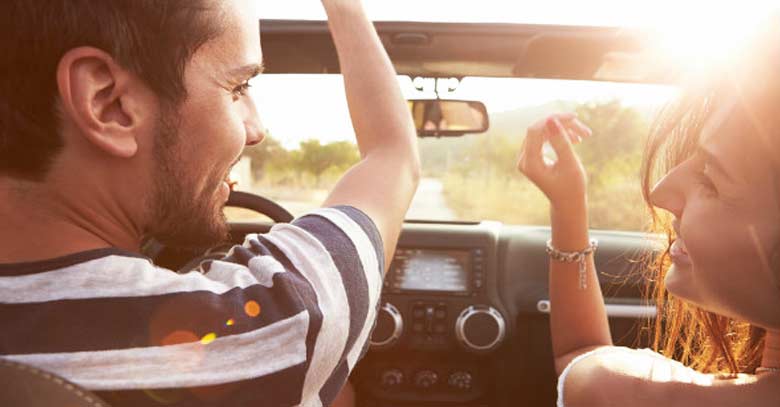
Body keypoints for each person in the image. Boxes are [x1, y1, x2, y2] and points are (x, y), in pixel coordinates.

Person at [0, 0, 420, 406]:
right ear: (109, 103)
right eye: (237, 87)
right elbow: (392, 158)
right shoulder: (259, 331)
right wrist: (345, 7)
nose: (255, 129)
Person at [516, 19, 780, 407]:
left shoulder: (625, 393)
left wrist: (568, 203)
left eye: (710, 179)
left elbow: (583, 362)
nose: (660, 193)